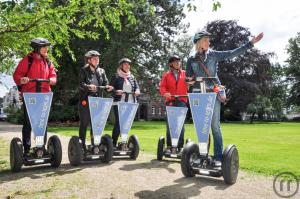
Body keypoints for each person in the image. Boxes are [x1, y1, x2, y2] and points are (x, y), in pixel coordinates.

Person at [186, 30, 264, 166]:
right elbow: (188, 77)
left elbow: (231, 53)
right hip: (198, 94)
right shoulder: (191, 59)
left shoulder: (213, 55)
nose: (209, 42)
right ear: (199, 42)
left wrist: (250, 44)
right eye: (206, 40)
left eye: (209, 40)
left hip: (212, 94)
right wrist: (189, 81)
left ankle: (217, 157)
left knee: (215, 126)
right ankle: (202, 156)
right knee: (201, 127)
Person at [13, 38, 57, 155]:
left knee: (43, 121)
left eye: (47, 47)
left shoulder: (47, 61)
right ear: (37, 48)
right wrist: (22, 79)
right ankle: (26, 149)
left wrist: (52, 79)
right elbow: (17, 75)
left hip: (44, 96)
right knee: (28, 123)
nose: (46, 49)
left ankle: (41, 147)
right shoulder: (28, 60)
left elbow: (53, 74)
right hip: (30, 96)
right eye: (44, 47)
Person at [79, 50, 113, 150]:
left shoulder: (101, 71)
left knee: (96, 123)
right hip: (86, 99)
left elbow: (106, 83)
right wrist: (88, 86)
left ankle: (95, 144)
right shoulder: (83, 70)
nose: (97, 60)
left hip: (98, 100)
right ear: (89, 60)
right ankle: (81, 145)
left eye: (98, 58)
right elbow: (81, 84)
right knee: (84, 123)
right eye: (94, 58)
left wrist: (108, 87)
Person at [159, 55, 188, 152]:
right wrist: (165, 93)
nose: (178, 63)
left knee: (180, 124)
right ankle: (169, 146)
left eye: (179, 61)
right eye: (175, 62)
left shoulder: (185, 74)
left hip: (181, 101)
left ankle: (180, 146)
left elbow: (191, 81)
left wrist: (191, 82)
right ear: (171, 64)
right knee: (170, 124)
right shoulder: (166, 75)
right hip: (170, 101)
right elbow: (162, 87)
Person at [110, 58, 140, 147]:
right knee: (119, 123)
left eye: (128, 64)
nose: (128, 66)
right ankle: (113, 143)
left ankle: (123, 142)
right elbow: (110, 89)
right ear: (121, 66)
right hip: (119, 103)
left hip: (130, 103)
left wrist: (137, 91)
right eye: (125, 64)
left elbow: (137, 87)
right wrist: (116, 91)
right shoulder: (116, 76)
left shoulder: (132, 77)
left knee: (126, 123)